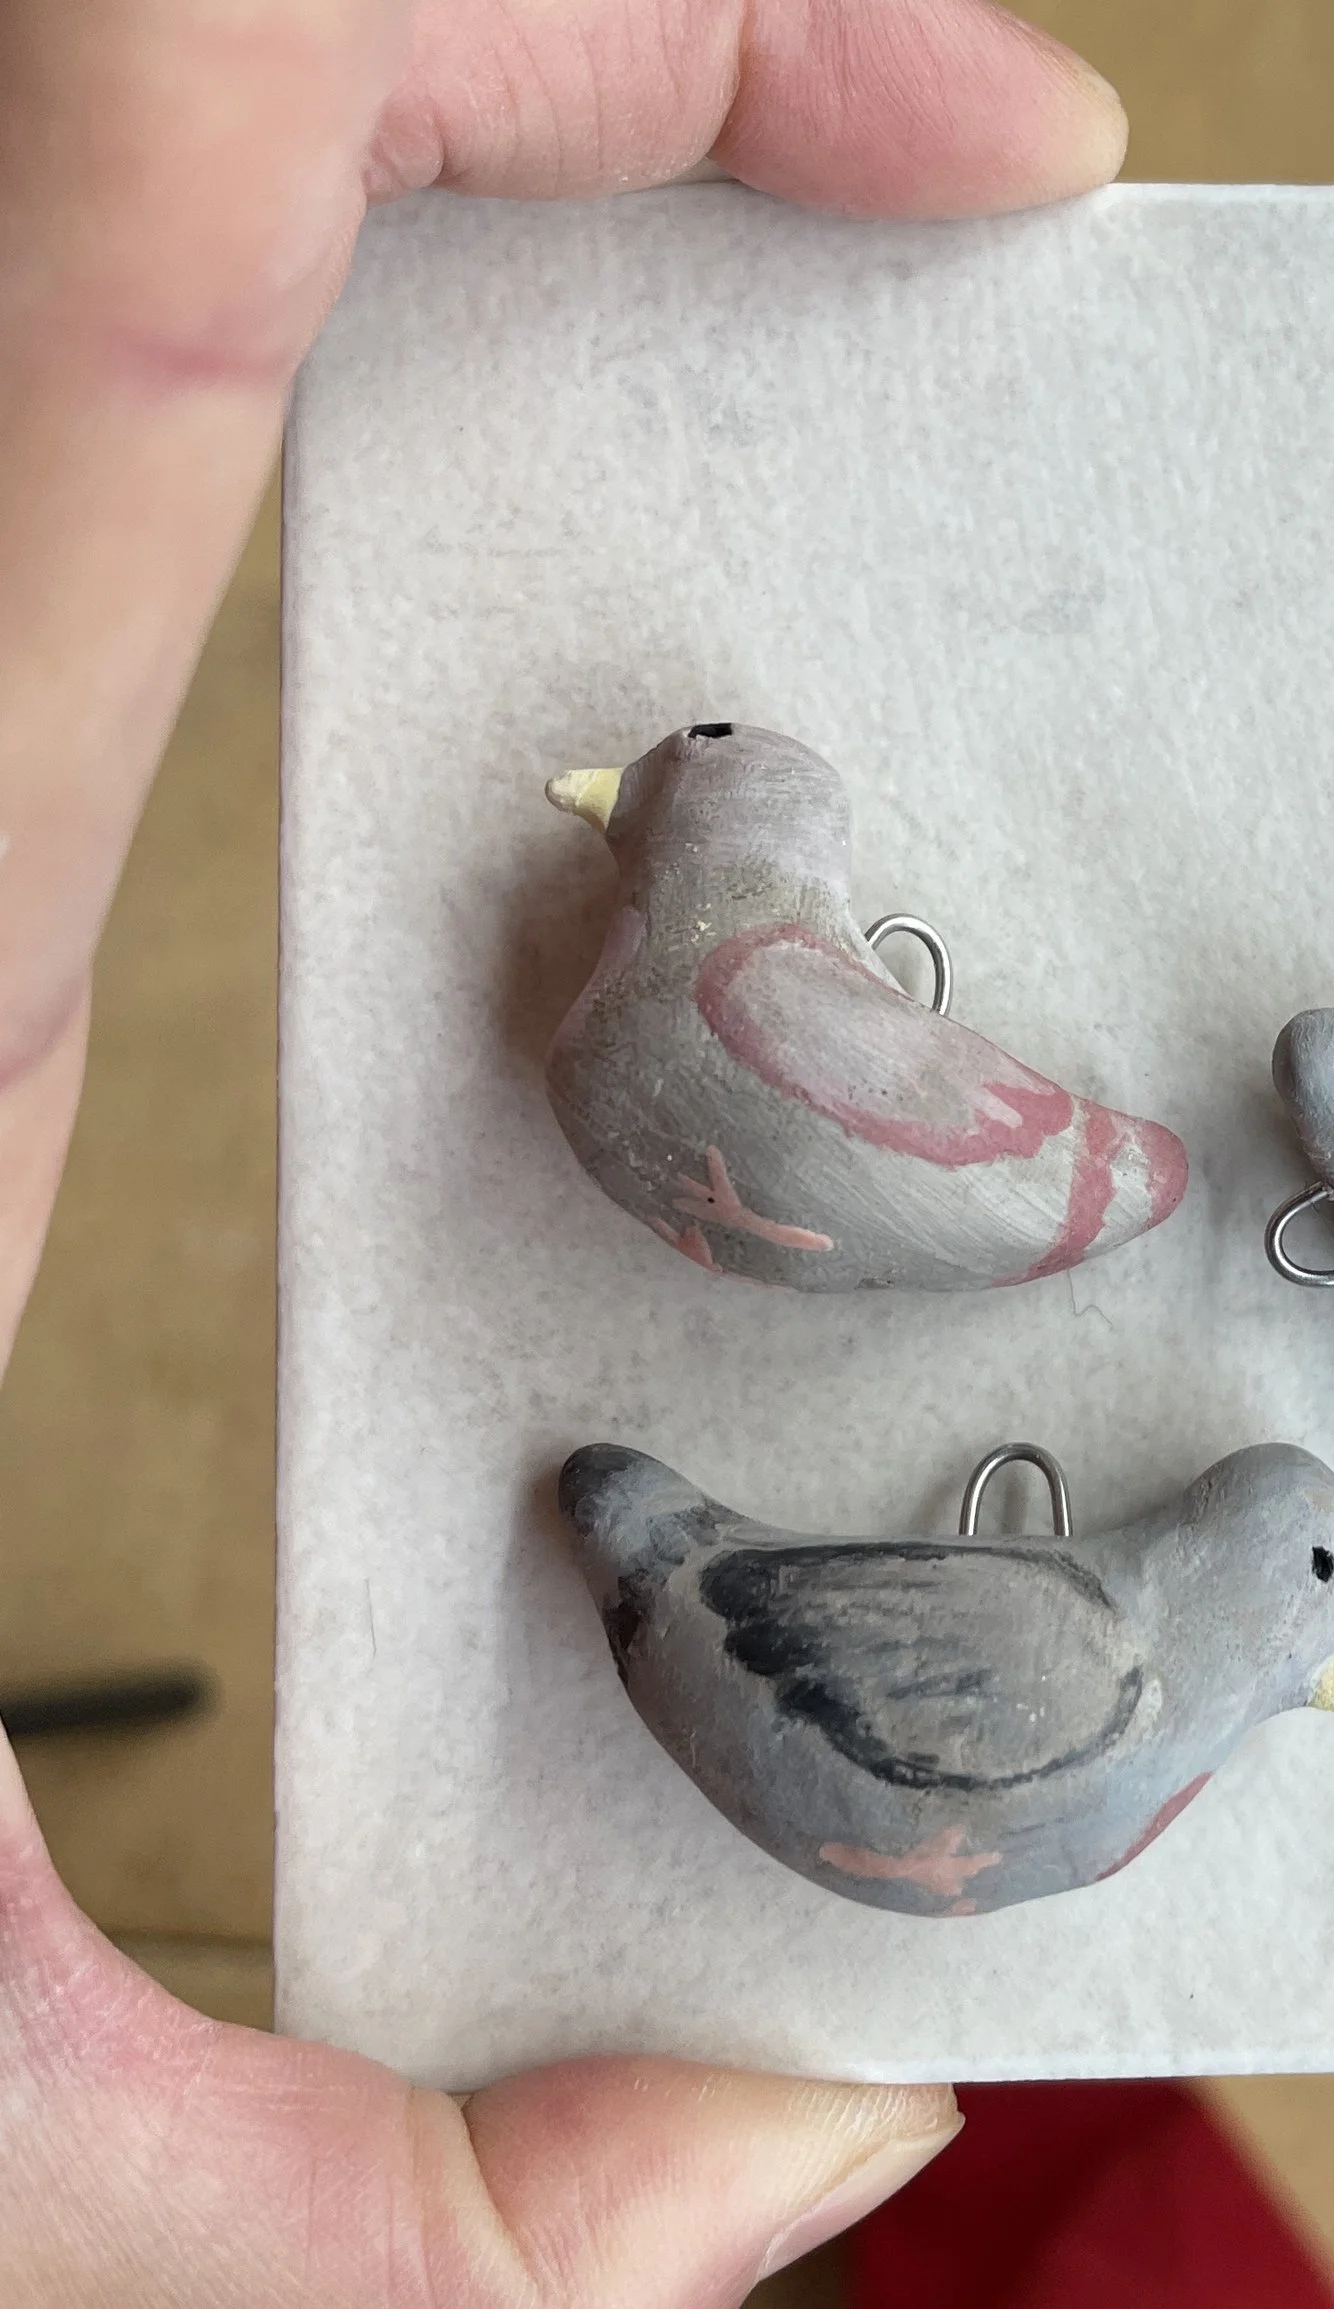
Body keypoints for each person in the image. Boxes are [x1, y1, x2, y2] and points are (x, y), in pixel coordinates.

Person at [0, 3, 1128, 2299]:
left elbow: (962, 1131)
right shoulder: (714, 996)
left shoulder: (735, 997)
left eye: (675, 773)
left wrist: (1079, 1185)